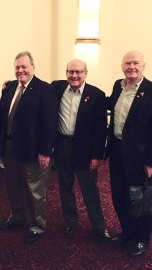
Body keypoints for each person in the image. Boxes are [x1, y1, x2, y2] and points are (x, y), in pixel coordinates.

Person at [106, 50, 152, 256]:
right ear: (122, 66)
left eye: (135, 63)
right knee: (119, 197)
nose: (131, 67)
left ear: (144, 66)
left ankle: (142, 238)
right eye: (127, 63)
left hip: (141, 158)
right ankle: (127, 231)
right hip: (117, 153)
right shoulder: (118, 86)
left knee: (140, 200)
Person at [0, 51, 58, 244]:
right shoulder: (9, 88)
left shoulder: (44, 90)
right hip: (10, 147)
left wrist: (46, 151)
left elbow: (50, 123)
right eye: (17, 67)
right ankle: (17, 216)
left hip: (33, 150)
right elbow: (1, 117)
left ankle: (36, 226)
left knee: (34, 190)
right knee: (12, 185)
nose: (20, 70)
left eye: (24, 67)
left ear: (33, 68)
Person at [51, 59, 110, 241]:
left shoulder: (97, 95)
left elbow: (101, 129)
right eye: (70, 72)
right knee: (65, 188)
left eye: (78, 72)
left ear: (85, 73)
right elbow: (34, 85)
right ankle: (70, 223)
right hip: (63, 147)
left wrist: (97, 155)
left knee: (89, 190)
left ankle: (99, 227)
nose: (74, 75)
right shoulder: (57, 88)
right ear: (66, 72)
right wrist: (11, 83)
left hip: (85, 151)